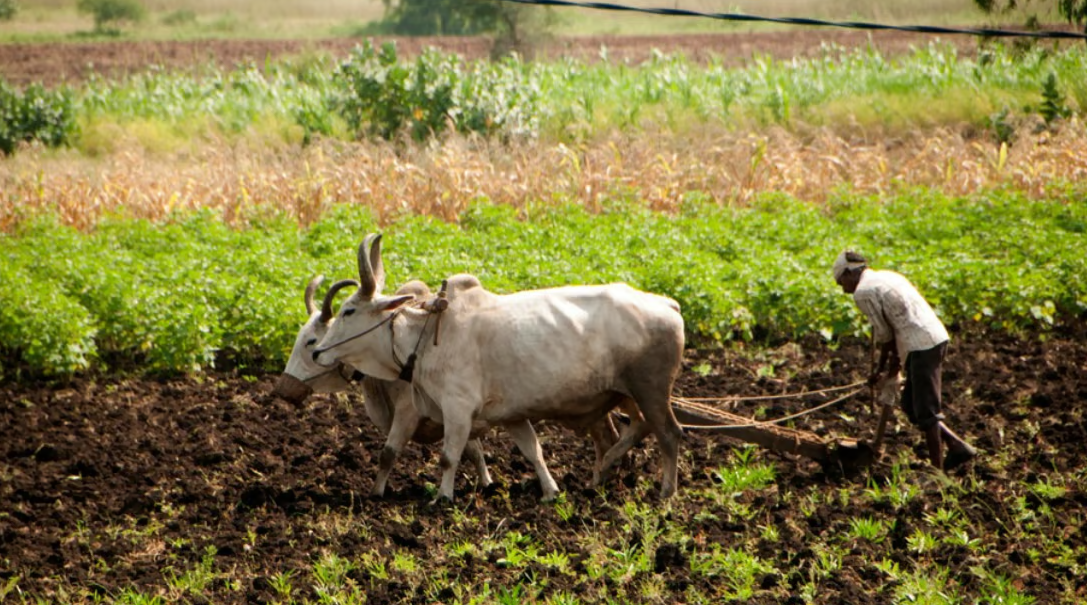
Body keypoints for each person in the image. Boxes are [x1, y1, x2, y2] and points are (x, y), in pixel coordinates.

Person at [832, 250, 977, 471]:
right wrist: (887, 367)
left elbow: (885, 335)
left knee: (927, 413)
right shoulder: (888, 276)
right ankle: (956, 445)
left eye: (841, 282)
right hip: (932, 338)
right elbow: (892, 327)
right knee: (911, 406)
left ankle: (938, 473)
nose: (843, 289)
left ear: (848, 274)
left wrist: (883, 369)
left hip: (921, 345)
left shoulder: (863, 292)